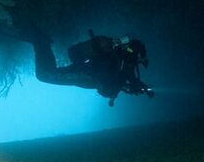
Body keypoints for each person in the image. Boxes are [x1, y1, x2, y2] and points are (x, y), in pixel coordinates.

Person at [23, 27, 154, 106]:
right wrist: (138, 88)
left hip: (87, 74)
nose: (142, 62)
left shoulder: (126, 60)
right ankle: (41, 42)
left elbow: (121, 80)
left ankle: (40, 42)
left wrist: (141, 88)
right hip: (87, 75)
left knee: (46, 74)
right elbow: (117, 80)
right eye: (142, 59)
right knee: (45, 75)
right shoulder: (127, 60)